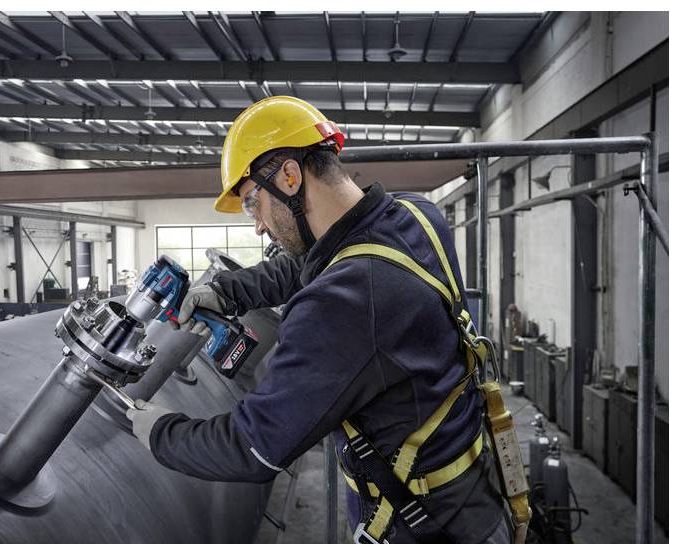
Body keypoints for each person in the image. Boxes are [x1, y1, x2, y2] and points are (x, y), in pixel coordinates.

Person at [127, 96, 511, 543]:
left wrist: (158, 432)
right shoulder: (413, 214)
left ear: (290, 177)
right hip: (472, 502)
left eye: (253, 203)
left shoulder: (342, 304)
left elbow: (254, 448)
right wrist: (225, 292)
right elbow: (310, 263)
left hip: (422, 530)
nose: (257, 226)